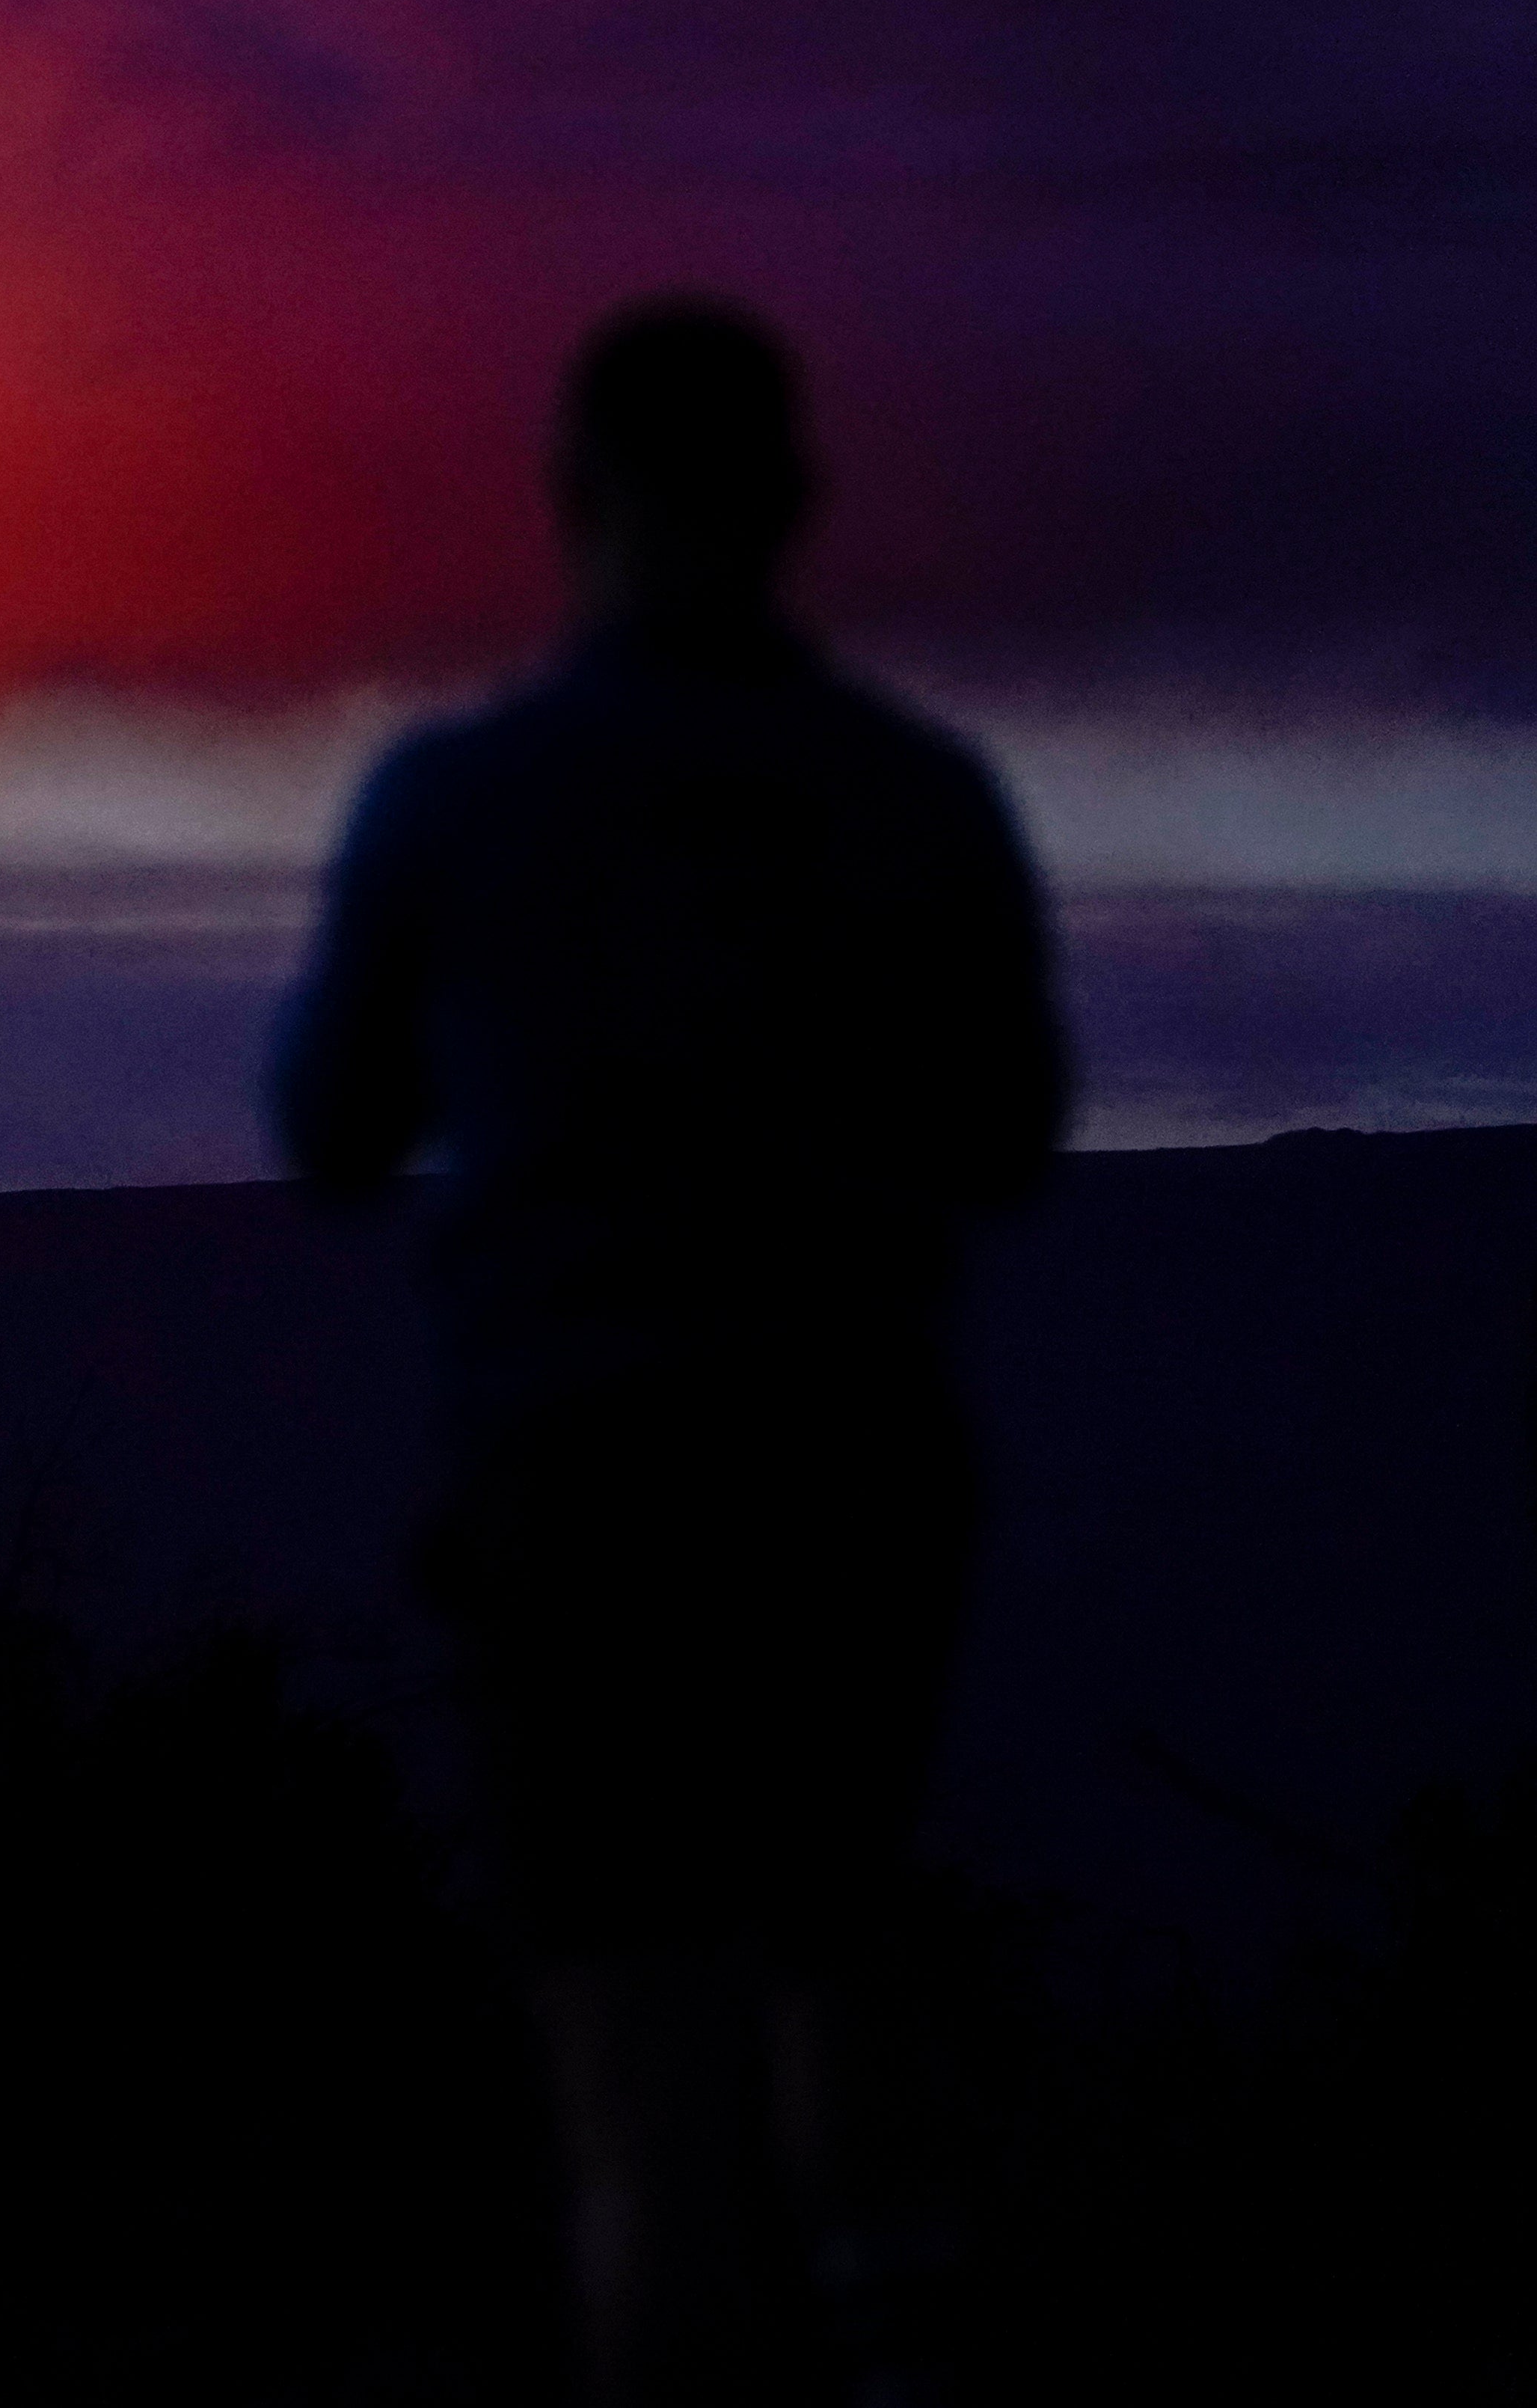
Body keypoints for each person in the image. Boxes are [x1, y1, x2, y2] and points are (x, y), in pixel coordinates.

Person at [272, 298, 1067, 2407]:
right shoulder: (916, 797)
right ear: (794, 504)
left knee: (629, 2062)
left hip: (577, 1478)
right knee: (837, 1968)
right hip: (848, 1474)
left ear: (565, 507)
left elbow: (328, 1135)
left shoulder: (458, 800)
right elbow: (1006, 1134)